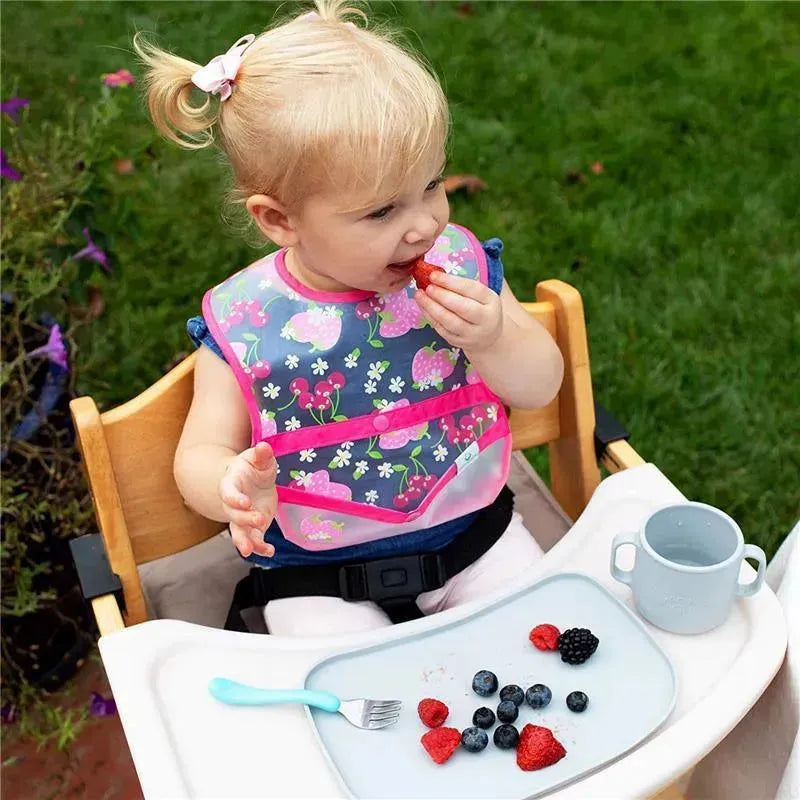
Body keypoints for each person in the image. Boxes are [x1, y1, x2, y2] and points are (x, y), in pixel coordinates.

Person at [134, 0, 564, 636]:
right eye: (382, 211)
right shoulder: (247, 323)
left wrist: (495, 337)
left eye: (432, 185)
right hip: (317, 574)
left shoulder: (459, 270)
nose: (424, 225)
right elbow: (199, 452)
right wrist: (229, 483)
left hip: (472, 537)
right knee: (340, 679)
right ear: (279, 220)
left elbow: (541, 385)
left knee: (535, 635)